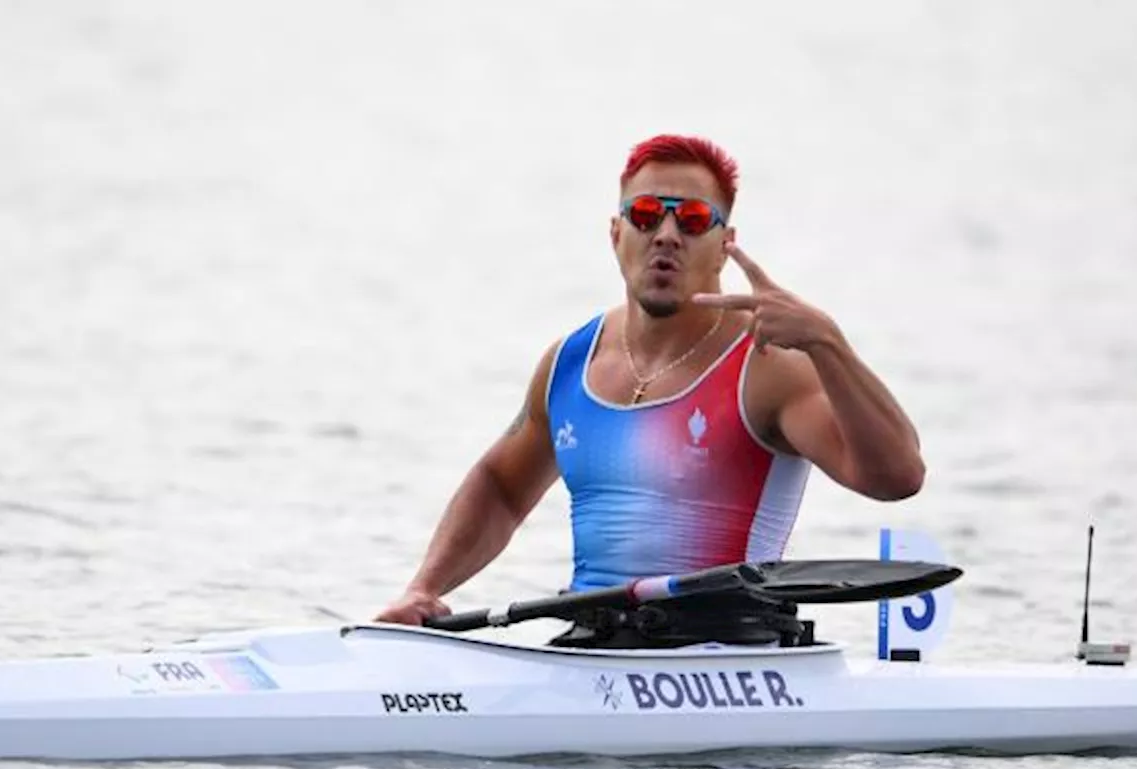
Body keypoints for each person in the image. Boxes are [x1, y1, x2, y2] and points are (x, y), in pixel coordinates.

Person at [375, 134, 925, 637]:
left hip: (729, 653)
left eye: (690, 220)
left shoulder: (769, 365)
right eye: (644, 215)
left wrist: (829, 344)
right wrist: (425, 588)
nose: (665, 236)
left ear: (725, 243)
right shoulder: (568, 362)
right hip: (590, 646)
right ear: (616, 234)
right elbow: (500, 487)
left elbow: (896, 477)